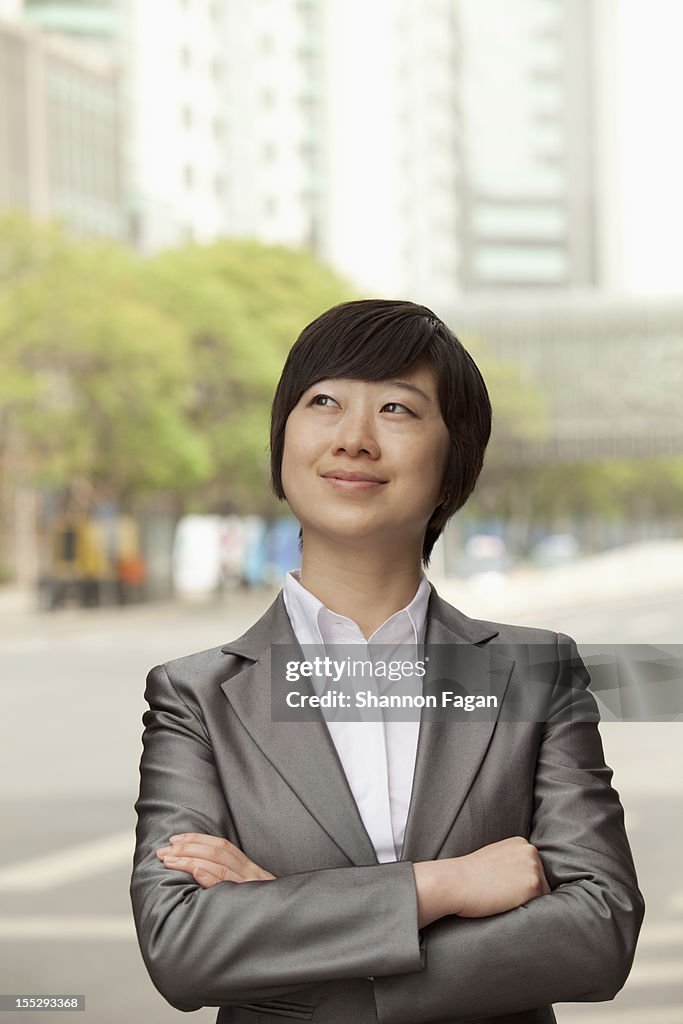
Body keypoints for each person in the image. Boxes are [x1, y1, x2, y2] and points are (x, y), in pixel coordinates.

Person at [130, 298, 644, 1024]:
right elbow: (181, 946)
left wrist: (287, 929)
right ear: (282, 443)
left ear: (452, 464)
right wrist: (444, 886)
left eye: (397, 410)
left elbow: (597, 931)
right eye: (324, 402)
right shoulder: (197, 695)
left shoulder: (532, 673)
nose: (353, 438)